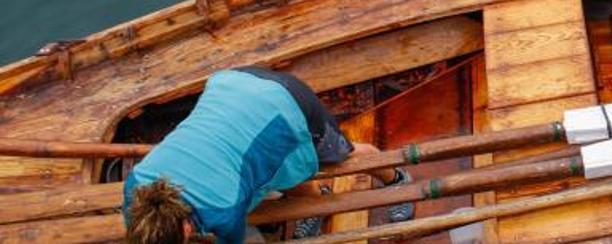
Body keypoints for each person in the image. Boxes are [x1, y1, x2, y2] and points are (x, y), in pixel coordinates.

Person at [123, 68, 414, 243]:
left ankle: (397, 179)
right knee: (272, 167)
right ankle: (316, 202)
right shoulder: (134, 185)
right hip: (232, 84)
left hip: (284, 102)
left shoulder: (223, 211)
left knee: (341, 156)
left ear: (187, 229)